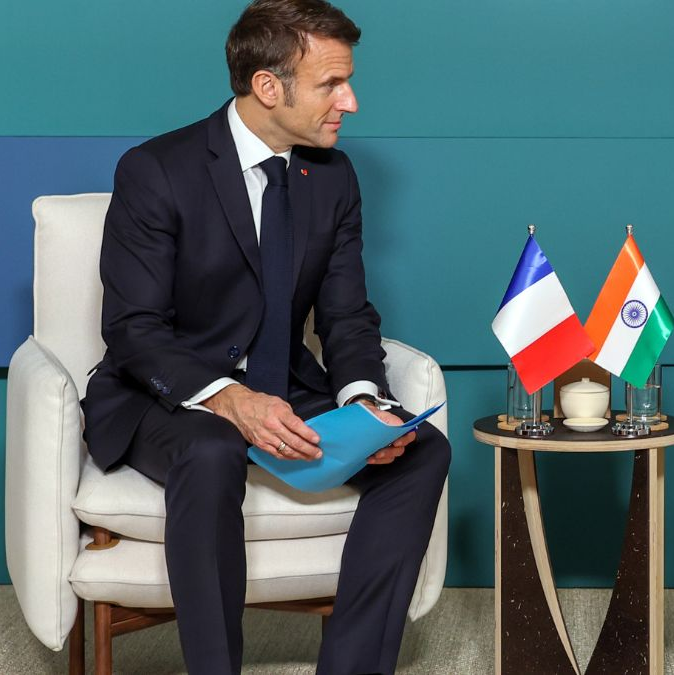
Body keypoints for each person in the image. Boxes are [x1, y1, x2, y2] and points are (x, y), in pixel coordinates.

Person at [80, 1, 451, 672]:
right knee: (214, 447)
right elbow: (133, 328)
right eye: (331, 84)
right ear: (268, 86)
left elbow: (346, 314)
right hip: (166, 397)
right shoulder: (157, 169)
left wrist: (365, 400)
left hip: (284, 383)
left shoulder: (332, 177)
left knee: (420, 450)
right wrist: (228, 398)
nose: (351, 102)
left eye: (348, 81)